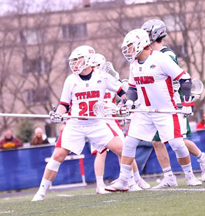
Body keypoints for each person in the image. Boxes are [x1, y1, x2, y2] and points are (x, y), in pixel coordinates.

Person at [105, 29, 202, 192]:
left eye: (130, 46)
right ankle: (123, 180)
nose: (128, 51)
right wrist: (129, 102)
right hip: (144, 111)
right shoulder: (134, 65)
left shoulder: (160, 59)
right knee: (129, 142)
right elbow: (132, 88)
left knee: (177, 144)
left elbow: (185, 79)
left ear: (140, 44)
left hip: (165, 110)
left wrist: (186, 104)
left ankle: (189, 175)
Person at [32, 45, 131, 201]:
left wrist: (125, 104)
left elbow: (122, 92)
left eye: (78, 59)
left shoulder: (102, 76)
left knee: (123, 149)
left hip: (97, 123)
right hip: (76, 124)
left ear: (88, 60)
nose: (75, 63)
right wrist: (59, 115)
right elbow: (64, 104)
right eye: (74, 60)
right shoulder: (71, 80)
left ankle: (126, 182)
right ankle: (41, 192)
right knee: (58, 155)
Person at [140, 20, 205, 188]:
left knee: (177, 140)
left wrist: (185, 101)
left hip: (173, 103)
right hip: (158, 105)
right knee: (157, 141)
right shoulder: (149, 57)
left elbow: (178, 79)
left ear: (154, 35)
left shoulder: (166, 55)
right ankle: (169, 177)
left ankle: (203, 158)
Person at [88, 52, 150, 193]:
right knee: (101, 151)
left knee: (124, 149)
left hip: (111, 120)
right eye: (96, 66)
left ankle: (135, 179)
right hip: (98, 121)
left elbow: (123, 97)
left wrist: (122, 105)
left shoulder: (107, 80)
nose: (98, 69)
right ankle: (100, 185)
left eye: (100, 66)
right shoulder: (88, 83)